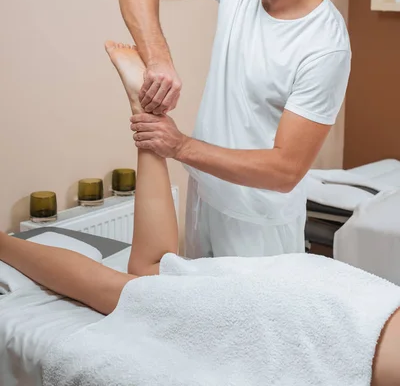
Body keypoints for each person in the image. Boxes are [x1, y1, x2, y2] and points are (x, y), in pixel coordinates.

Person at [0, 42, 399, 386]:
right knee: (131, 290)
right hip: (324, 323)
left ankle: (146, 112)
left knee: (151, 272)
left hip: (342, 295)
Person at [114, 0, 352, 259]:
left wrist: (180, 146)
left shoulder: (324, 47)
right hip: (204, 197)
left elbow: (284, 170)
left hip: (259, 223)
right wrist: (158, 57)